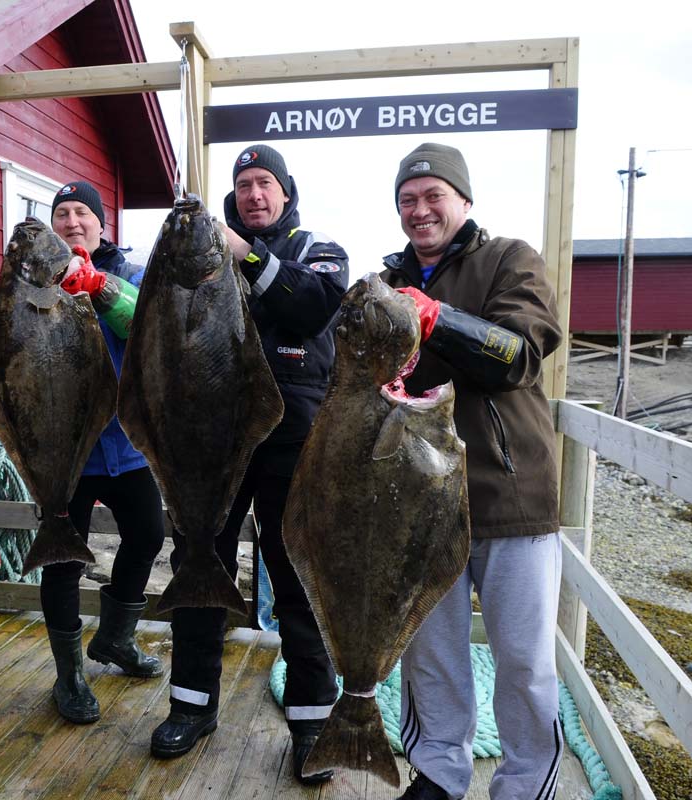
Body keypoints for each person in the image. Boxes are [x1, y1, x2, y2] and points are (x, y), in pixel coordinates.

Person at [149, 145, 350, 785]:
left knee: (296, 575)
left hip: (294, 439)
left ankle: (313, 722)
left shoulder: (320, 250)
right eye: (243, 185)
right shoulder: (203, 255)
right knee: (197, 558)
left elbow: (313, 304)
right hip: (210, 438)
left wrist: (249, 255)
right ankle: (192, 704)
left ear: (286, 192)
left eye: (265, 183)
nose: (254, 194)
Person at [381, 142, 564, 800]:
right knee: (429, 654)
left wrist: (437, 318)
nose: (420, 209)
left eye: (434, 196)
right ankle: (437, 773)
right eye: (407, 199)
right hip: (420, 502)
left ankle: (524, 785)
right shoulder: (384, 284)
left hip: (512, 495)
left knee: (523, 660)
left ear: (464, 200)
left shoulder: (510, 260)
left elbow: (517, 354)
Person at [41, 180, 167, 724]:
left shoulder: (130, 273)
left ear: (100, 222)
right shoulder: (34, 278)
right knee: (63, 557)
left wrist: (98, 287)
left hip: (127, 446)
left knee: (148, 537)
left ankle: (114, 639)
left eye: (81, 213)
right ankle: (68, 675)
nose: (72, 222)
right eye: (62, 214)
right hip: (65, 452)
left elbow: (146, 327)